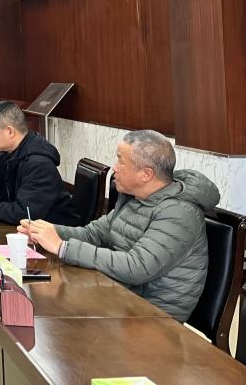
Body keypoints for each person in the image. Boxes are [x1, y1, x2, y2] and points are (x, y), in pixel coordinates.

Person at [19, 130, 219, 322]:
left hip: (152, 316)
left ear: (146, 174)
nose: (114, 168)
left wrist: (63, 248)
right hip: (119, 295)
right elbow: (93, 234)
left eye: (120, 161)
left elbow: (136, 267)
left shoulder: (179, 213)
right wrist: (48, 232)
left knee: (55, 309)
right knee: (43, 299)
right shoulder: (136, 197)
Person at [0, 101, 79, 225]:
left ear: (10, 131)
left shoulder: (38, 164)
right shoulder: (7, 155)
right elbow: (6, 197)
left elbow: (25, 214)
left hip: (55, 231)